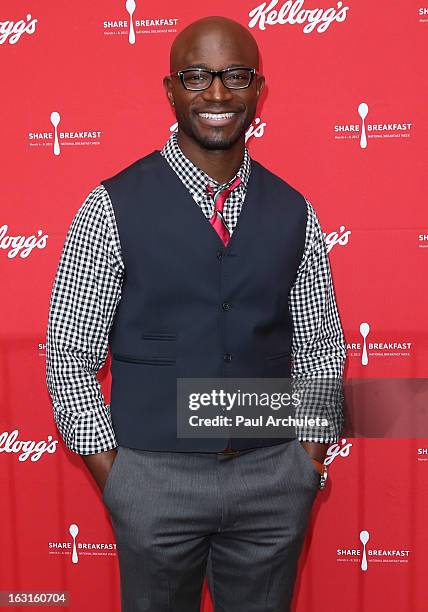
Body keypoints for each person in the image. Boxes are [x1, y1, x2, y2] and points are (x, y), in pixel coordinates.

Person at [46, 15, 346, 612]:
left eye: (235, 76)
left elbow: (321, 349)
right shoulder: (111, 207)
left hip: (271, 480)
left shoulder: (294, 212)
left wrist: (306, 464)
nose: (216, 94)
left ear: (258, 90)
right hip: (154, 481)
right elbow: (69, 356)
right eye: (197, 77)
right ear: (170, 90)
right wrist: (124, 484)